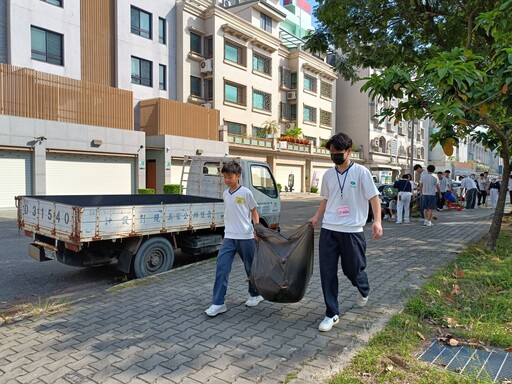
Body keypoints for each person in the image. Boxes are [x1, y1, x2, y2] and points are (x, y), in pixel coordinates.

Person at [309, 132, 382, 332]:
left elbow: (374, 198)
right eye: (332, 152)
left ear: (349, 151)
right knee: (327, 272)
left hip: (352, 231)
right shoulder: (328, 175)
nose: (334, 155)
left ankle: (363, 287)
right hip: (329, 229)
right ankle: (331, 313)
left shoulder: (361, 172)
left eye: (338, 152)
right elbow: (326, 199)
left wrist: (377, 221)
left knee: (352, 269)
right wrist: (316, 217)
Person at [205, 160, 263, 317]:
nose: (226, 180)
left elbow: (254, 212)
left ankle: (255, 294)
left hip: (246, 236)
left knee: (250, 267)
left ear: (238, 176)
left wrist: (256, 229)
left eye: (229, 176)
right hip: (229, 237)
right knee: (221, 267)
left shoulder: (246, 193)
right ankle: (218, 303)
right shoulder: (225, 194)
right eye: (224, 177)